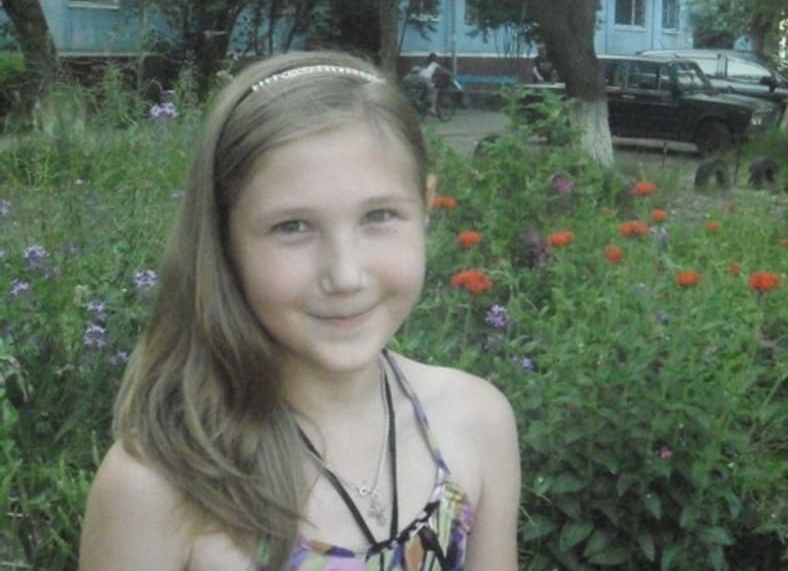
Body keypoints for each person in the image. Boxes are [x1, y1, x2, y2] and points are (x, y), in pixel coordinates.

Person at [78, 50, 520, 571]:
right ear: (223, 238)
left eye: (379, 215)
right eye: (292, 227)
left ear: (425, 206)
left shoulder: (475, 422)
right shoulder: (157, 489)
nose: (345, 275)